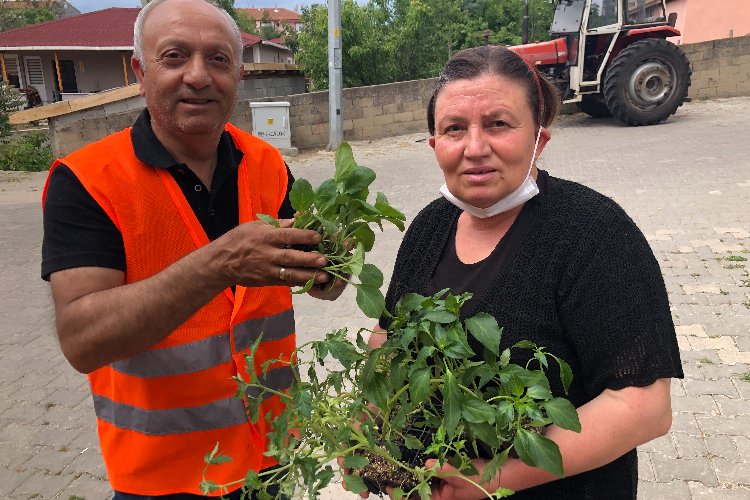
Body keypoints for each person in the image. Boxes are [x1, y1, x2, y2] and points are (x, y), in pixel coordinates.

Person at [41, 0, 344, 498]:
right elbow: (83, 341)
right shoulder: (89, 181)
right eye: (175, 56)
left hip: (269, 459)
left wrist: (330, 270)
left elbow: (318, 284)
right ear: (141, 70)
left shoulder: (266, 163)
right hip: (165, 478)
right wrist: (221, 263)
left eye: (218, 59)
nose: (199, 76)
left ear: (239, 74)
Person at [367, 45, 683, 499]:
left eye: (498, 124)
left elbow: (644, 407)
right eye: (455, 129)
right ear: (435, 145)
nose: (475, 148)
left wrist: (492, 478)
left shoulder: (592, 233)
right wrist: (366, 426)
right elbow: (385, 335)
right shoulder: (428, 226)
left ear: (539, 137)